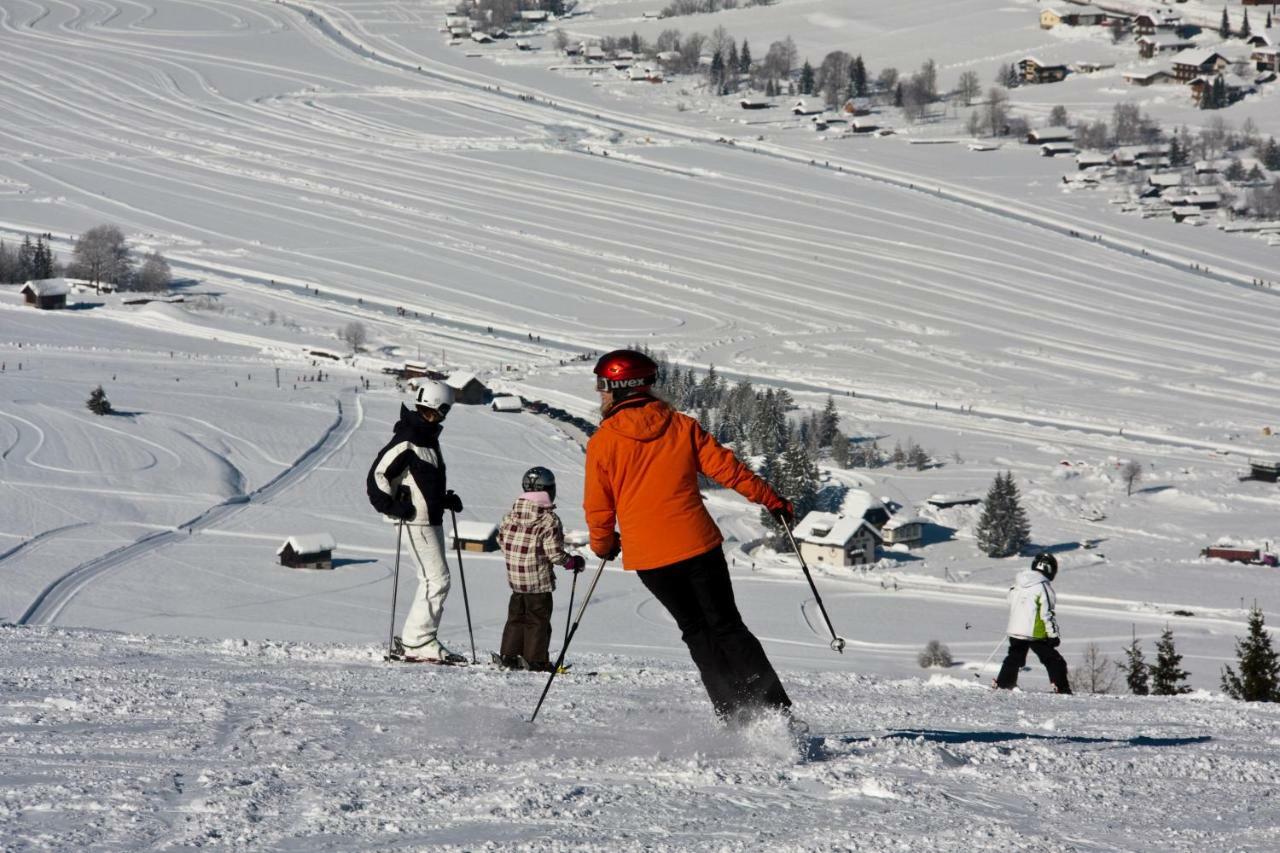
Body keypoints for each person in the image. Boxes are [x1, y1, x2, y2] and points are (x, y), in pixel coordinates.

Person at [583, 349, 797, 727]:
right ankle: (775, 713)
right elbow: (729, 470)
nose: (600, 393)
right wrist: (772, 500)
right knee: (727, 626)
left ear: (617, 388)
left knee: (697, 632)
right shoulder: (681, 426)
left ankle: (734, 717)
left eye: (602, 386)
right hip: (697, 545)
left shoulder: (603, 442)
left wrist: (604, 545)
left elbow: (599, 507)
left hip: (651, 559)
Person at [366, 380, 465, 663]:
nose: (446, 415)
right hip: (415, 521)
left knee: (433, 579)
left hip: (428, 519)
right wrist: (393, 507)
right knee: (437, 580)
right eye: (445, 409)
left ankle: (415, 639)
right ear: (438, 406)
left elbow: (422, 482)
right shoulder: (409, 438)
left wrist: (444, 500)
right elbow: (378, 475)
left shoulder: (426, 437)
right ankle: (417, 641)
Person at [496, 466, 585, 671]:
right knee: (538, 620)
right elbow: (555, 555)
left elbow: (502, 542)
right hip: (538, 581)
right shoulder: (548, 520)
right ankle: (535, 660)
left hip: (516, 580)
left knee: (516, 617)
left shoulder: (510, 516)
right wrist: (573, 562)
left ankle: (509, 656)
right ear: (549, 490)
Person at [994, 552, 1072, 694]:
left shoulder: (1017, 584)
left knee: (1014, 657)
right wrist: (1053, 635)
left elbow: (1010, 600)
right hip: (1036, 633)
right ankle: (1061, 688)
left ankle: (1004, 683)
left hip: (1015, 629)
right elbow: (1047, 613)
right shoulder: (1044, 587)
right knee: (1054, 660)